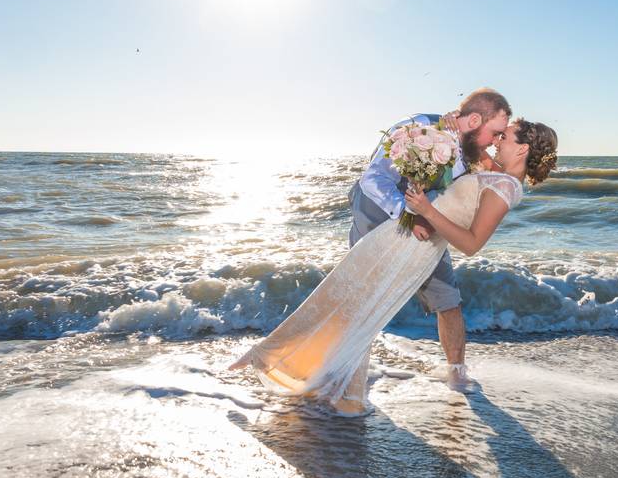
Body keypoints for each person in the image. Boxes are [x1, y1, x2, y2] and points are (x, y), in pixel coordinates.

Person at [228, 117, 559, 416]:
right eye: (498, 134)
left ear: (524, 148)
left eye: (505, 137)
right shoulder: (497, 174)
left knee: (354, 304)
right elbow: (468, 156)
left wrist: (427, 210)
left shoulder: (504, 188)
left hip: (412, 249)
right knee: (341, 294)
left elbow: (471, 244)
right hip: (399, 235)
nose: (497, 140)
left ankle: (286, 364)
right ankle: (294, 365)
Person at [349, 88, 511, 391]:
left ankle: (457, 374)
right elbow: (372, 179)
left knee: (447, 297)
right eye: (495, 133)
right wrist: (407, 216)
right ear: (475, 119)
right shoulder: (419, 128)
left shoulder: (472, 152)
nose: (495, 142)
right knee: (364, 296)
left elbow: (500, 175)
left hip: (427, 222)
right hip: (376, 214)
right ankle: (352, 372)